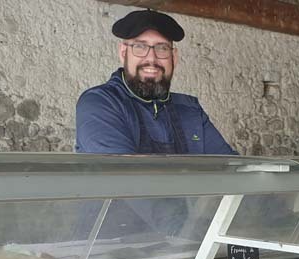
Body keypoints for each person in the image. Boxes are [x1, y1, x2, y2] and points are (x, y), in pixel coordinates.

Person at [75, 9, 236, 155]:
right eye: (140, 47)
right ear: (123, 53)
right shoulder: (101, 103)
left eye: (162, 48)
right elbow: (122, 178)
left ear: (174, 57)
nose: (151, 59)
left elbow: (231, 171)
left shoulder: (190, 110)